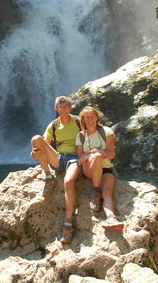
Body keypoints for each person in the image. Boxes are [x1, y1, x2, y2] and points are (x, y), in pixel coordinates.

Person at [30, 96, 82, 244]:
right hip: (59, 158)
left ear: (70, 107)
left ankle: (68, 221)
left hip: (75, 158)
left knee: (68, 181)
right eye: (59, 107)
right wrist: (36, 152)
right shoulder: (53, 124)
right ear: (56, 109)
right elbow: (44, 144)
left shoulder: (79, 121)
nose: (62, 110)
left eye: (65, 107)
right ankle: (48, 176)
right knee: (36, 139)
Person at [76, 106, 124, 231]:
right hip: (88, 169)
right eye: (87, 117)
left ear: (97, 117)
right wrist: (94, 153)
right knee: (96, 156)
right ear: (83, 119)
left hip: (106, 168)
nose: (90, 119)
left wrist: (96, 153)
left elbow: (112, 154)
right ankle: (96, 190)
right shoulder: (80, 136)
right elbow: (80, 156)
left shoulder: (107, 132)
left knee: (107, 192)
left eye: (92, 116)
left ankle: (111, 218)